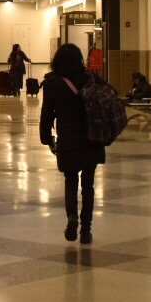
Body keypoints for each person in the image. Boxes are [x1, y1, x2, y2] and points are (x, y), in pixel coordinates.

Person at [39, 42, 104, 244]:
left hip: (67, 138)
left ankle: (72, 217)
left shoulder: (53, 83)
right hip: (91, 138)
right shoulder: (92, 78)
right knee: (88, 184)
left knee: (70, 180)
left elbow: (46, 115)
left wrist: (48, 140)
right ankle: (86, 229)